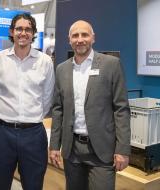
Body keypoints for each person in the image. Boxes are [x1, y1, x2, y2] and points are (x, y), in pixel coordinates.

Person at [49, 20, 131, 190]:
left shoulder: (111, 65)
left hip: (102, 150)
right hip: (72, 150)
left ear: (93, 38)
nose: (80, 39)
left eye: (84, 34)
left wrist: (123, 149)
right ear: (69, 39)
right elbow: (58, 110)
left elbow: (121, 109)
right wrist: (54, 145)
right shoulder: (62, 69)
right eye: (75, 35)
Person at [0, 13, 55, 190]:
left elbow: (47, 98)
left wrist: (31, 118)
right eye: (19, 29)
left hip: (33, 134)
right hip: (1, 133)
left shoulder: (45, 61)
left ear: (33, 33)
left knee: (33, 185)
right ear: (11, 31)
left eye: (27, 29)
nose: (23, 33)